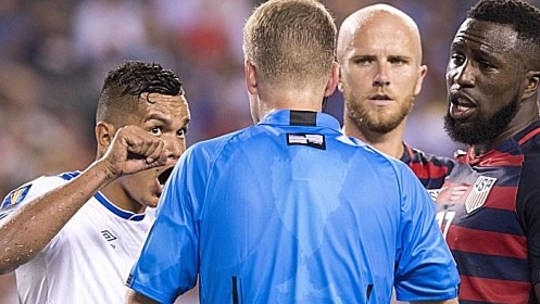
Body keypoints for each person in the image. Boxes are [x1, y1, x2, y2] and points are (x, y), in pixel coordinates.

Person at [125, 0, 459, 303]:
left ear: (251, 76)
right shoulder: (397, 179)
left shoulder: (203, 165)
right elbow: (439, 297)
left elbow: (149, 295)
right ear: (332, 78)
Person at [0, 60, 190, 303]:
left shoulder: (169, 227)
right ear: (106, 137)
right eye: (155, 129)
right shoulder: (49, 194)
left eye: (181, 131)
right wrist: (105, 169)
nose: (174, 148)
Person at [433, 0, 540, 302]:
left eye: (485, 64)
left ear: (530, 84)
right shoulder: (462, 166)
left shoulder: (534, 173)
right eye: (457, 58)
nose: (462, 76)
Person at [337, 3, 454, 191]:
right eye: (365, 61)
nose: (382, 77)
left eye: (397, 61)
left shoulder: (450, 184)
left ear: (419, 78)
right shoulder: (301, 177)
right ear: (338, 75)